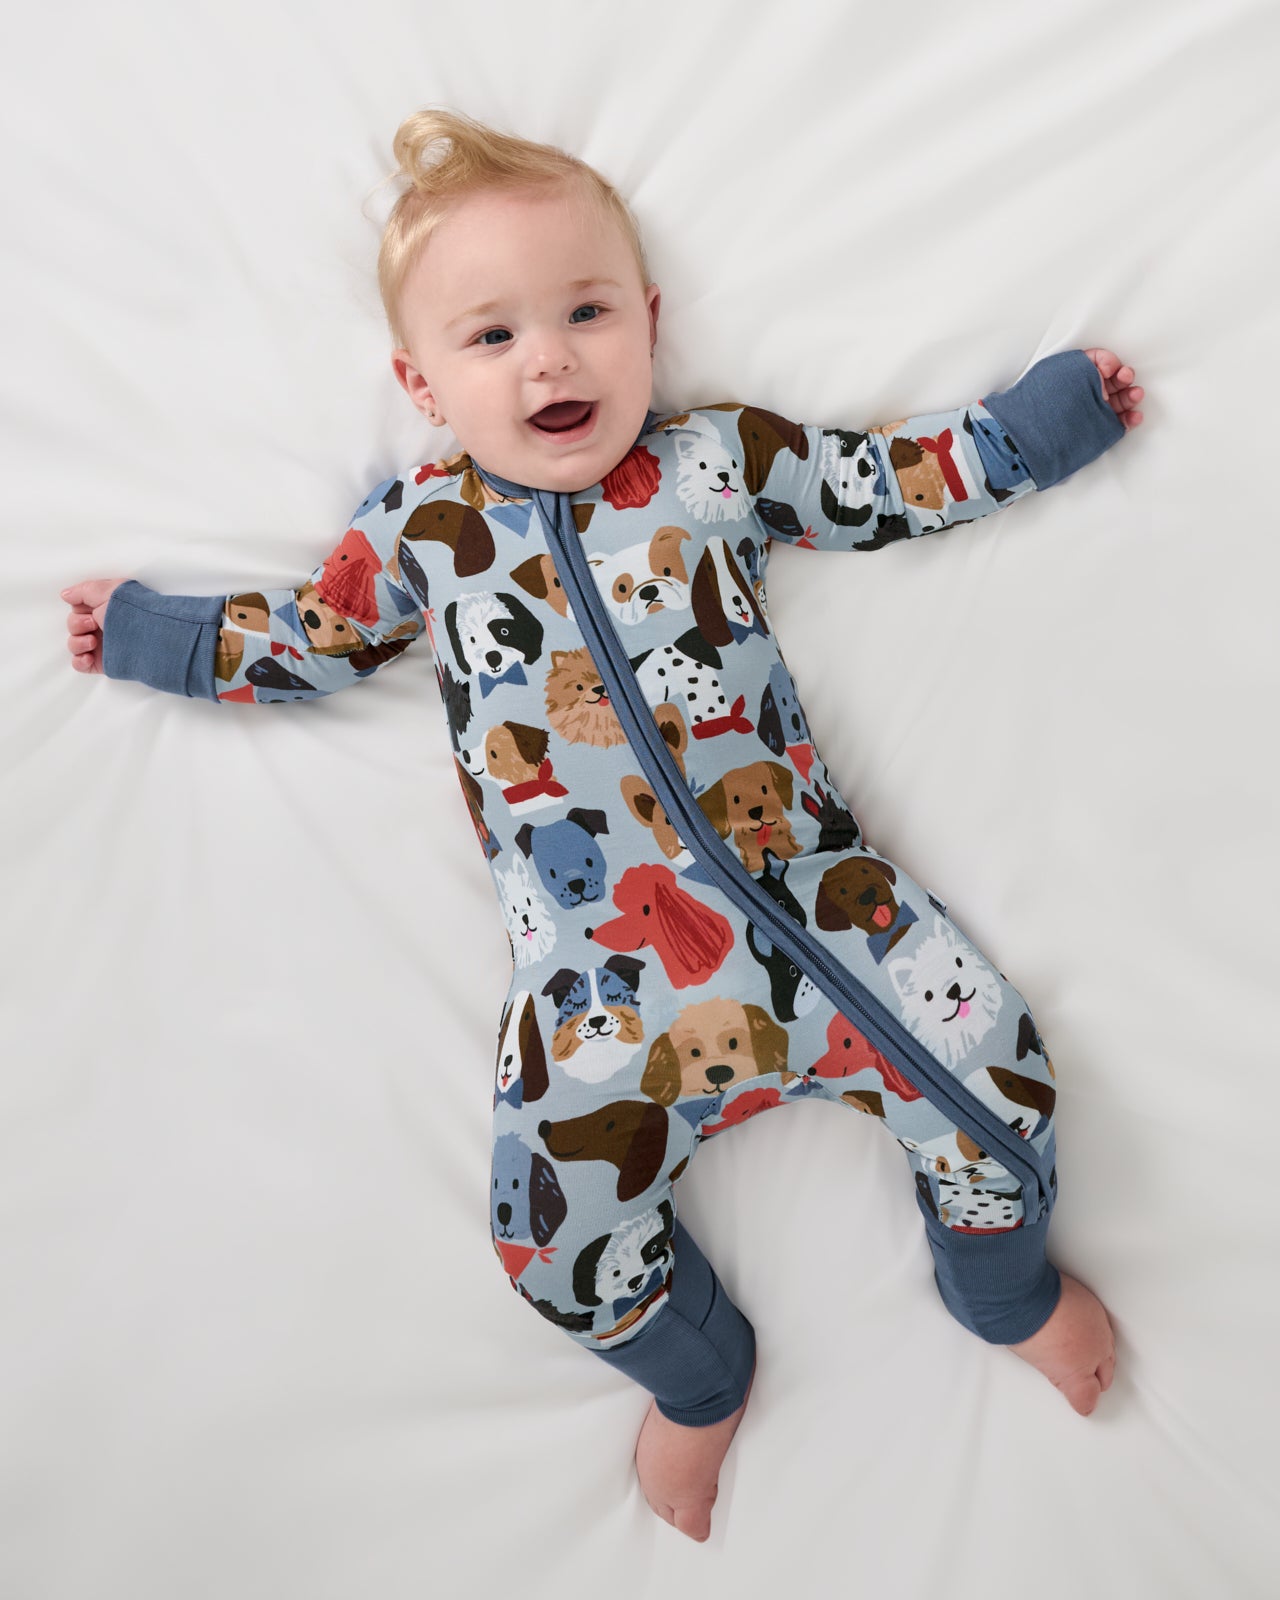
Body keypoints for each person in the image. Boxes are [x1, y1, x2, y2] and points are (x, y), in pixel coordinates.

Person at [61, 108, 1143, 1543]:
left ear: (649, 319)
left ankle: (1001, 1291)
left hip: (824, 921)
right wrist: (157, 638)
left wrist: (1046, 423)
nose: (551, 360)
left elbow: (883, 484)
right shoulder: (421, 533)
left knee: (1002, 1080)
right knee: (547, 1244)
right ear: (422, 382)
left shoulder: (715, 460)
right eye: (492, 336)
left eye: (585, 313)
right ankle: (701, 1380)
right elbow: (311, 636)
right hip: (596, 994)